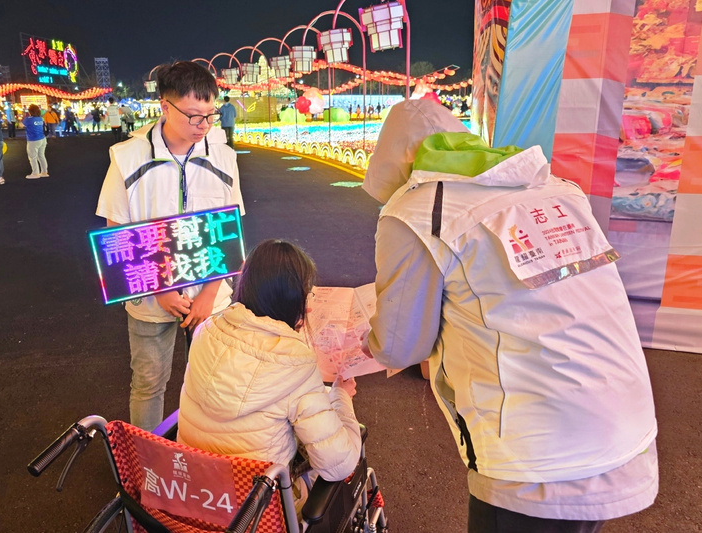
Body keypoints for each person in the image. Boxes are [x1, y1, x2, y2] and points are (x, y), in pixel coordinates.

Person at [361, 99, 658, 532]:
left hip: (536, 453)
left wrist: (362, 339)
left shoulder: (416, 211)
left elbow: (401, 344)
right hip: (623, 422)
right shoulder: (554, 188)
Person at [95, 60, 244, 432]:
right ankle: (147, 467)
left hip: (211, 298)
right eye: (194, 116)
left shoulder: (223, 156)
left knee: (215, 385)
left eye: (209, 115)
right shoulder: (128, 158)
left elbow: (229, 229)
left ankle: (207, 462)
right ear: (164, 105)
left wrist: (210, 294)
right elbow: (118, 234)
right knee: (148, 384)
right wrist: (159, 288)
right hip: (150, 299)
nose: (204, 126)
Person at [177, 239, 361, 485]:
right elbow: (339, 464)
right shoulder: (295, 363)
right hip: (255, 512)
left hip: (187, 492)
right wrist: (341, 398)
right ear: (294, 300)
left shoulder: (206, 331)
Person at [22, 104, 48, 179]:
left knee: (33, 157)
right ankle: (44, 172)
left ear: (30, 111)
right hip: (42, 139)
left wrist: (24, 116)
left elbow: (21, 125)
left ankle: (35, 173)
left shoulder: (28, 119)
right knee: (41, 156)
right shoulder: (40, 119)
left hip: (33, 140)